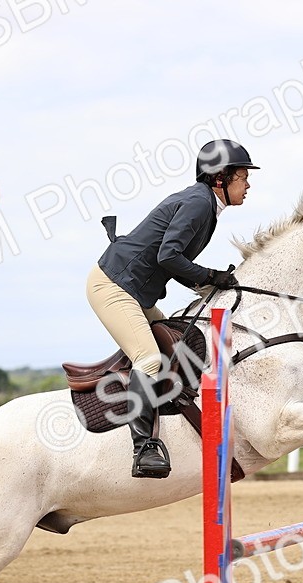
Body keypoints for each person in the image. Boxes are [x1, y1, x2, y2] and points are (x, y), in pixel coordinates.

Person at [87, 139, 258, 479]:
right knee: (149, 359)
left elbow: (172, 262)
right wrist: (210, 277)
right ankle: (144, 449)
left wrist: (206, 284)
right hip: (113, 287)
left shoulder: (204, 205)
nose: (248, 184)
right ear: (220, 179)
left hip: (135, 292)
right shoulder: (198, 204)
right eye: (242, 176)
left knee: (177, 341)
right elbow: (169, 257)